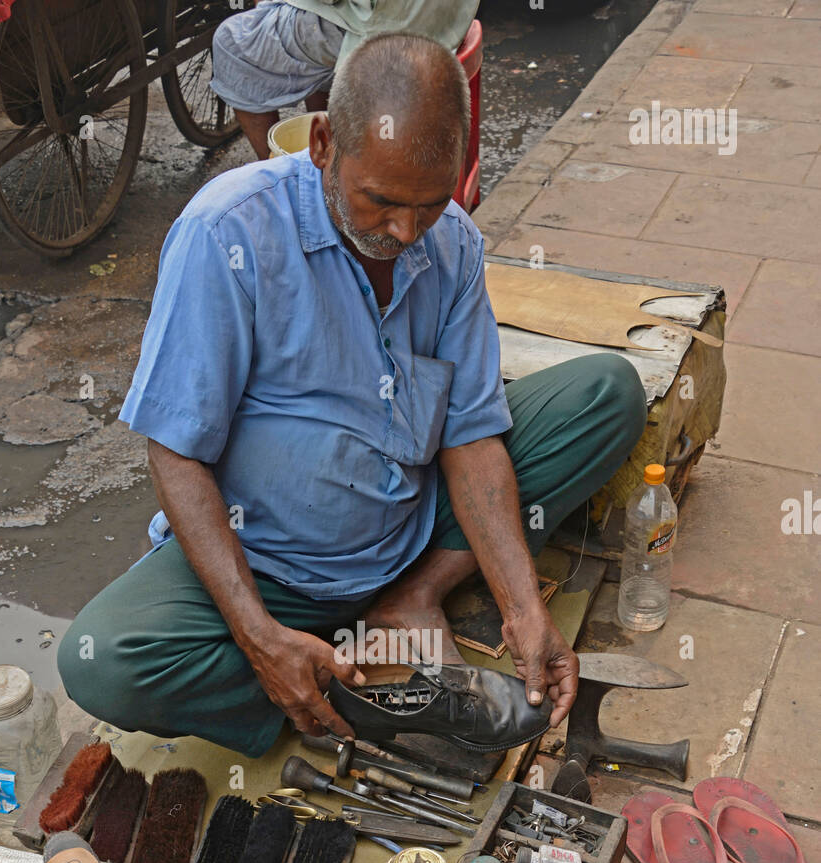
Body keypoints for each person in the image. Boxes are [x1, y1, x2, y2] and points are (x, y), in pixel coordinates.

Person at [58, 33, 647, 758]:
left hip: (407, 525)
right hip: (270, 563)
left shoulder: (451, 243)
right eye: (381, 203)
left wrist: (522, 610)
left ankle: (413, 596)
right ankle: (348, 686)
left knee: (605, 392)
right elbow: (175, 453)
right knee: (104, 660)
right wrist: (257, 632)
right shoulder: (228, 233)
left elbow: (468, 434)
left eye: (428, 206)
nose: (403, 232)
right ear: (323, 143)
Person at [211, 0, 479, 159]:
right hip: (446, 18)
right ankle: (330, 144)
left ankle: (277, 178)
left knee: (231, 43)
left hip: (383, 27)